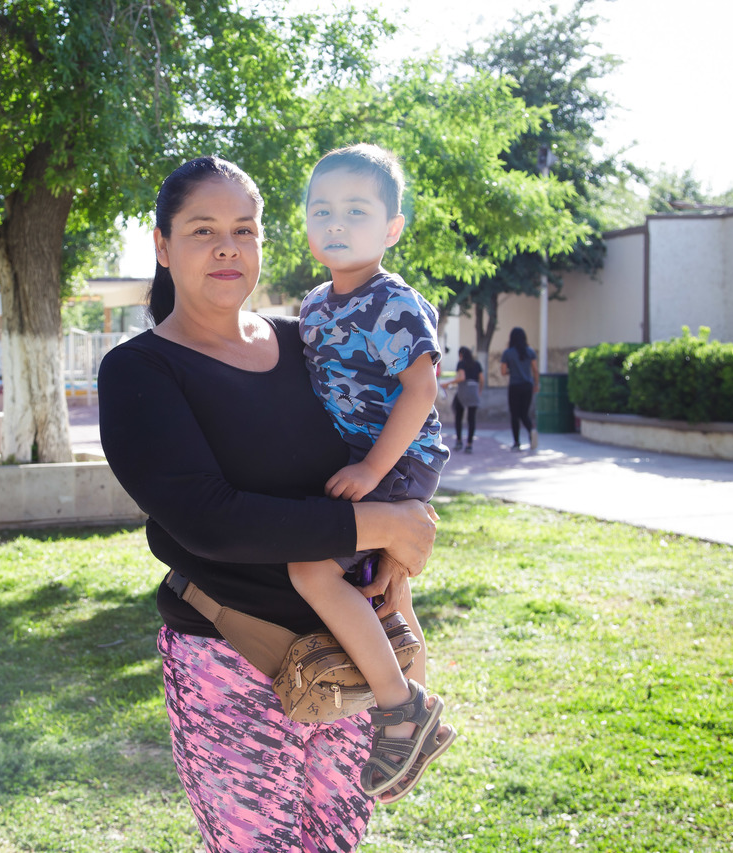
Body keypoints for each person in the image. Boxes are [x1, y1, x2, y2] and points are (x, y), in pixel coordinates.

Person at [98, 156, 443, 851]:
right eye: (202, 230)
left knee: (335, 842)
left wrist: (399, 537)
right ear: (163, 246)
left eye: (244, 229)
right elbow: (213, 521)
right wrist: (384, 523)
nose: (227, 247)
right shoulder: (140, 370)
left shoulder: (307, 340)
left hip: (347, 659)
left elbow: (391, 430)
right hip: (227, 658)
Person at [288, 143, 455, 800]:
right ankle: (414, 701)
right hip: (359, 463)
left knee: (310, 569)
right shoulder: (313, 305)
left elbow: (421, 390)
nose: (336, 222)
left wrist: (370, 468)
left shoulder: (395, 303)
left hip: (400, 459)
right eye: (322, 209)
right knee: (382, 588)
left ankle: (401, 706)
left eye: (356, 210)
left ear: (392, 228)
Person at [500, 326, 540, 450]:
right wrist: (536, 384)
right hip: (527, 385)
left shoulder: (508, 353)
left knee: (515, 415)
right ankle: (531, 430)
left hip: (515, 386)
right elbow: (535, 370)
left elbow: (503, 371)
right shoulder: (530, 351)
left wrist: (512, 371)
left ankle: (516, 443)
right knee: (524, 413)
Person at [442, 346, 484, 453]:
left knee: (458, 417)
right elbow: (482, 379)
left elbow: (462, 377)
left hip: (463, 391)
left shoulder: (461, 363)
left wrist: (447, 383)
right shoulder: (477, 364)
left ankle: (459, 441)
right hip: (474, 391)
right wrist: (479, 391)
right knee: (471, 419)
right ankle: (469, 444)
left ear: (461, 354)